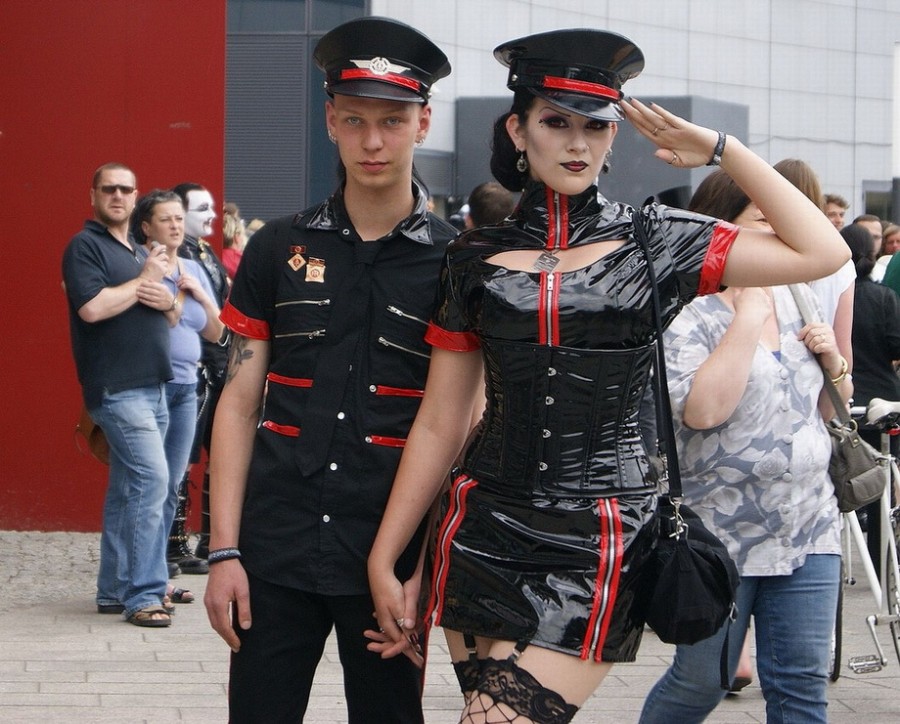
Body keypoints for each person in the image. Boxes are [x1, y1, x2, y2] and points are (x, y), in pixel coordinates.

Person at [366, 29, 849, 723]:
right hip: (480, 528)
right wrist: (389, 557)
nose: (577, 143)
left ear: (613, 134)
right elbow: (442, 420)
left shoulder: (657, 240)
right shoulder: (472, 256)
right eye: (556, 122)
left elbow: (823, 250)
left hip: (599, 537)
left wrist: (724, 150)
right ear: (519, 130)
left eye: (595, 126)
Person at [202, 17, 455, 723]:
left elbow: (454, 425)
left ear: (422, 122)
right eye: (354, 120)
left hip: (387, 559)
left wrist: (421, 569)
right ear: (330, 122)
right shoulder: (276, 249)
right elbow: (238, 404)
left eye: (392, 120)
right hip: (272, 551)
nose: (373, 141)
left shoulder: (457, 264)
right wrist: (223, 550)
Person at [638, 169, 849, 724]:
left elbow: (829, 409)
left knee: (802, 684)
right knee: (701, 683)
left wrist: (834, 363)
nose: (778, 235)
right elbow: (703, 412)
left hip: (808, 524)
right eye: (762, 222)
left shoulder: (800, 296)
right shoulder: (685, 308)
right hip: (719, 533)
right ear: (722, 228)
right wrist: (748, 314)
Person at [62, 163, 177, 628]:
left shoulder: (135, 249)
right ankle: (144, 593)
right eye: (108, 188)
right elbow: (92, 308)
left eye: (125, 189)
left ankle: (113, 590)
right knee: (153, 482)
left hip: (155, 386)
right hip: (118, 388)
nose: (117, 195)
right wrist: (145, 278)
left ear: (135, 197)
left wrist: (167, 299)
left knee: (128, 489)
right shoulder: (84, 246)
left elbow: (168, 312)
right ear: (92, 195)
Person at [133, 189, 226, 606]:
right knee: (150, 485)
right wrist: (161, 286)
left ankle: (155, 575)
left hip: (188, 387)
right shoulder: (138, 264)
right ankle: (143, 580)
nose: (174, 225)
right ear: (146, 227)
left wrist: (199, 294)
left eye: (177, 217)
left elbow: (217, 332)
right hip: (149, 385)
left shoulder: (194, 267)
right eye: (165, 219)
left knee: (171, 484)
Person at [168, 181, 231, 572]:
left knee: (218, 452)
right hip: (197, 367)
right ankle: (175, 542)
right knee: (183, 455)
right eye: (203, 209)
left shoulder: (204, 252)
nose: (213, 215)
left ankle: (211, 538)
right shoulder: (178, 257)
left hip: (218, 361)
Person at [841, 222, 900, 577]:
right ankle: (883, 565)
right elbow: (896, 344)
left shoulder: (828, 296)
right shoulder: (883, 297)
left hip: (843, 402)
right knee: (883, 488)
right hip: (882, 401)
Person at [221, 212, 246, 279]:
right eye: (243, 234)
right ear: (236, 236)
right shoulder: (240, 259)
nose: (243, 238)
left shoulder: (214, 255)